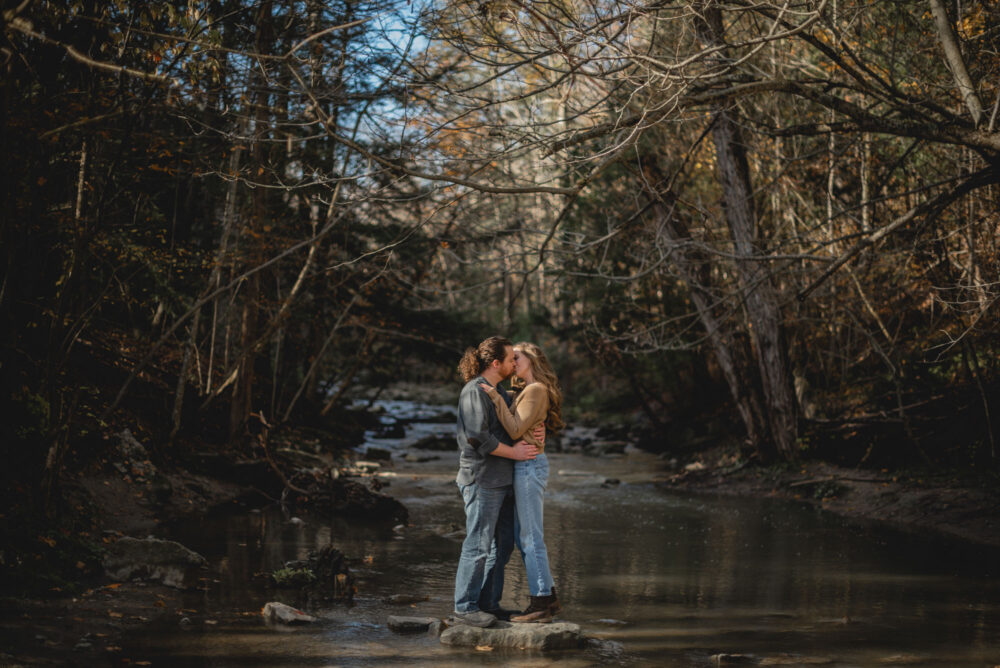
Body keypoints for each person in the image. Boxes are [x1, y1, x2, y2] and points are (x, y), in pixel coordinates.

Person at [452, 336, 543, 628]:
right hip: (481, 479)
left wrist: (538, 435)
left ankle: (487, 604)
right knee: (478, 544)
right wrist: (515, 453)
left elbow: (515, 427)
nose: (514, 363)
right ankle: (465, 607)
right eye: (510, 359)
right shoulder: (475, 391)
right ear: (496, 363)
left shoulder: (500, 391)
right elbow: (478, 438)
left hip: (503, 481)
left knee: (502, 546)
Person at [478, 341, 564, 623]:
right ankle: (548, 597)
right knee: (523, 536)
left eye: (517, 357)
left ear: (532, 359)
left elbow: (514, 428)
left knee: (530, 537)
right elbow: (519, 423)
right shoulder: (527, 390)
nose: (512, 362)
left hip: (529, 466)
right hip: (524, 465)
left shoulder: (537, 389)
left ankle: (540, 604)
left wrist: (495, 398)